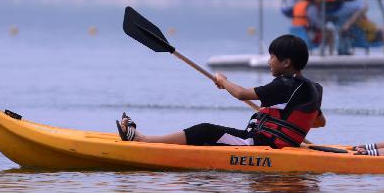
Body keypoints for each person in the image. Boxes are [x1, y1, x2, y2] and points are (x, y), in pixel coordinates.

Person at [117, 34, 326, 148]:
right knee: (216, 134)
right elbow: (318, 122)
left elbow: (242, 94)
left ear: (287, 62)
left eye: (272, 56)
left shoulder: (285, 84)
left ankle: (143, 141)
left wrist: (223, 80)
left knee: (205, 130)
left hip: (263, 145)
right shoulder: (312, 88)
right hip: (272, 143)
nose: (269, 61)